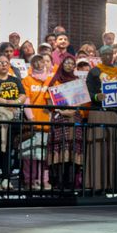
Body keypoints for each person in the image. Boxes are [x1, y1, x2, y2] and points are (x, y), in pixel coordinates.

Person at [84, 45, 117, 193]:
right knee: (97, 146)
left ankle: (112, 183)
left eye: (110, 54)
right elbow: (88, 91)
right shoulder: (94, 71)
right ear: (100, 56)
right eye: (105, 54)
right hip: (98, 111)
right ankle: (96, 183)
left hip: (113, 113)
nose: (108, 56)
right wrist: (96, 96)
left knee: (112, 147)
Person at [0, 55, 26, 191]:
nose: (4, 65)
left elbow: (23, 95)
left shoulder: (15, 80)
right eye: (1, 62)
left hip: (12, 119)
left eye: (6, 63)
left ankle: (6, 178)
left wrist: (16, 102)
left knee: (8, 149)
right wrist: (6, 102)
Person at [47, 55, 84, 191]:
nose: (69, 65)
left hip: (75, 117)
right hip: (59, 117)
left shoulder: (77, 81)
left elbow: (81, 100)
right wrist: (61, 111)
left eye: (71, 63)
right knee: (60, 147)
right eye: (66, 63)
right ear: (62, 64)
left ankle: (71, 182)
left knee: (73, 146)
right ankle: (58, 182)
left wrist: (72, 111)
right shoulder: (55, 80)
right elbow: (49, 101)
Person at [20, 54, 52, 190]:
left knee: (44, 155)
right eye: (36, 62)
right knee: (30, 154)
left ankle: (43, 180)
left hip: (48, 122)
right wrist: (30, 117)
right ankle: (30, 180)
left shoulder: (51, 79)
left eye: (42, 61)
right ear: (31, 64)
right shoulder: (26, 80)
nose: (39, 64)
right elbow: (26, 99)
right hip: (33, 122)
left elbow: (55, 98)